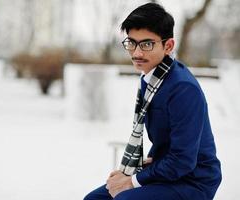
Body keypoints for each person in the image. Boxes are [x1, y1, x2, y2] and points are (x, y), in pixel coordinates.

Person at [84, 3, 221, 200]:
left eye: (146, 44)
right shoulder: (152, 78)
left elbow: (183, 161)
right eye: (131, 43)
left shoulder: (183, 89)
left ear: (168, 46)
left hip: (193, 180)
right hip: (166, 169)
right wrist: (135, 169)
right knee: (94, 199)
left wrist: (131, 181)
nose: (137, 53)